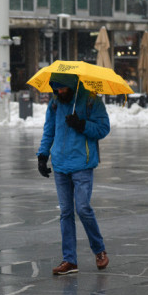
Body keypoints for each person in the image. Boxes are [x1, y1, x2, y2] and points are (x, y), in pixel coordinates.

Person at [36, 74, 111, 275]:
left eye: (63, 89)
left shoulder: (90, 100)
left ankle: (99, 250)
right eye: (56, 89)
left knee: (83, 208)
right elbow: (49, 130)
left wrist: (81, 124)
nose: (59, 92)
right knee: (66, 212)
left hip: (82, 163)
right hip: (60, 164)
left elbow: (104, 128)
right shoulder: (54, 104)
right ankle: (69, 260)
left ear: (71, 86)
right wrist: (42, 155)